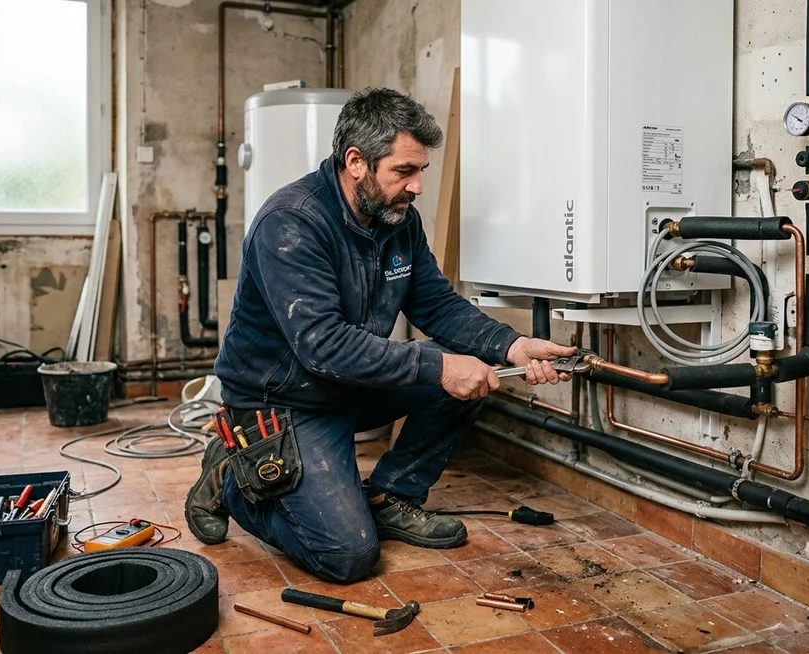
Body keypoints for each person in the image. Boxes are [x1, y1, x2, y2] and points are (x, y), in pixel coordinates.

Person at [185, 87, 575, 584]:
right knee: (347, 557)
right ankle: (236, 477)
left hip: (349, 383)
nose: (416, 187)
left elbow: (435, 302)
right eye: (404, 172)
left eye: (421, 173)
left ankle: (390, 495)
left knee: (473, 373)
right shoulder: (292, 223)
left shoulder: (398, 222)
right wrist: (439, 367)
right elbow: (323, 345)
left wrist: (510, 345)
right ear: (356, 162)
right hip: (283, 403)